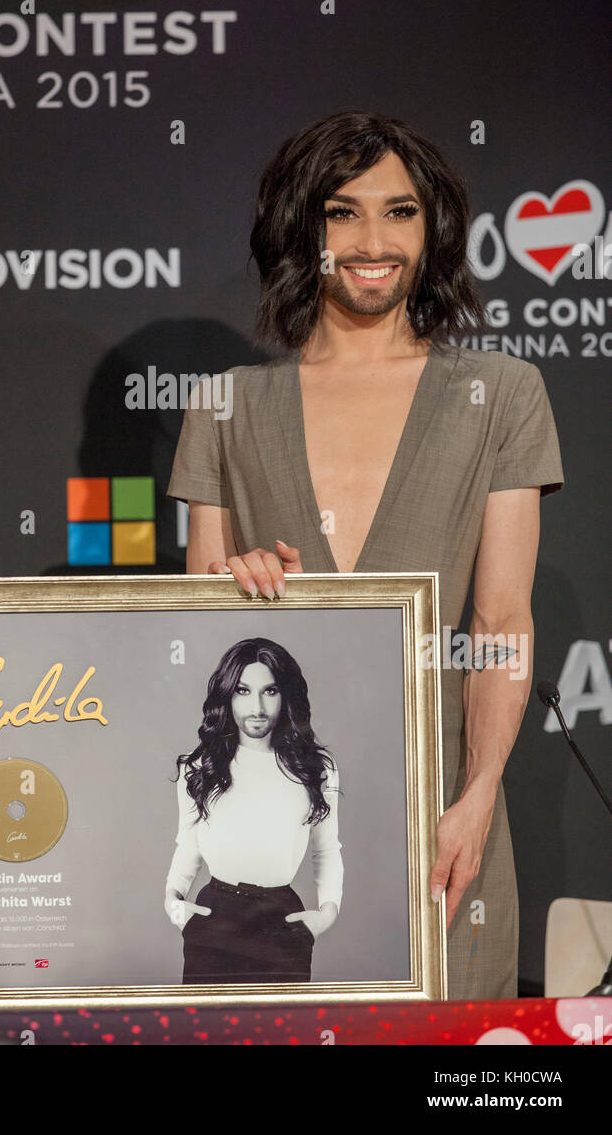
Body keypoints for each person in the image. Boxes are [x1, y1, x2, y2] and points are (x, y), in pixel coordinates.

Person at [167, 111, 564, 1000]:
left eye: (402, 212)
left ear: (434, 231)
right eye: (341, 213)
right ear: (300, 230)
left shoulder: (501, 395)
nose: (373, 241)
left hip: (441, 814)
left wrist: (476, 800)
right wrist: (237, 587)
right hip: (265, 836)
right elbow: (195, 624)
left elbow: (499, 623)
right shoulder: (225, 404)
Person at [165, 636, 342, 984]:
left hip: (282, 923)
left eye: (270, 691)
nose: (257, 707)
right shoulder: (198, 766)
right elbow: (188, 844)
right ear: (227, 695)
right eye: (243, 691)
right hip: (214, 918)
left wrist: (327, 913)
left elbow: (326, 848)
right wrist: (174, 904)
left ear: (285, 694)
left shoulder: (316, 768)